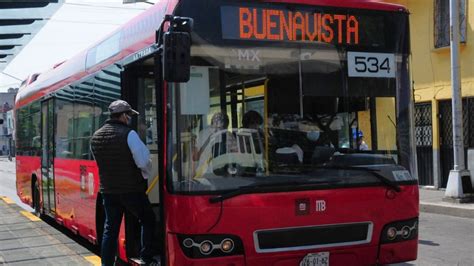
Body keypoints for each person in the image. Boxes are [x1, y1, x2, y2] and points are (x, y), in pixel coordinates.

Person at [90, 100, 157, 266]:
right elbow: (142, 162)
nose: (129, 119)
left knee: (110, 229)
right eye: (129, 115)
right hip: (131, 189)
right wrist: (146, 173)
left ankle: (106, 264)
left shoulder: (96, 136)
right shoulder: (129, 134)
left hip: (108, 191)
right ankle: (146, 259)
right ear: (123, 115)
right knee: (148, 219)